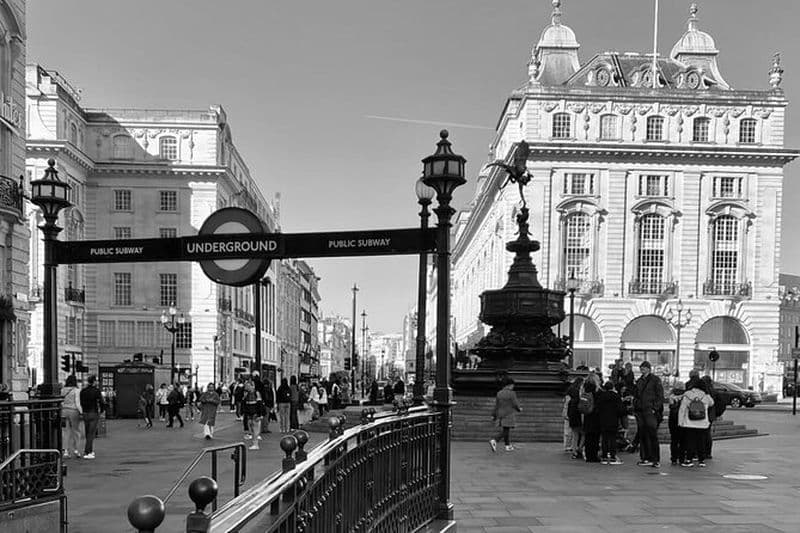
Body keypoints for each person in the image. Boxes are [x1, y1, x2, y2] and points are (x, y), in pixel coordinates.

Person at [633, 361, 664, 468]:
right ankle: (645, 457)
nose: (642, 369)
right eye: (641, 368)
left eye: (644, 368)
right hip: (640, 410)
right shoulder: (639, 380)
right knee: (642, 434)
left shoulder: (655, 380)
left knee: (652, 434)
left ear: (649, 369)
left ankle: (655, 459)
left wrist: (655, 408)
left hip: (650, 410)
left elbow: (660, 396)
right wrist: (635, 405)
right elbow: (636, 394)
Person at [678, 377, 714, 467]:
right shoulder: (705, 396)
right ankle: (701, 460)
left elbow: (682, 409)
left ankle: (689, 460)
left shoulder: (688, 394)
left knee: (690, 442)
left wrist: (680, 421)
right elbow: (712, 403)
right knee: (701, 442)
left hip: (689, 422)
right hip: (702, 423)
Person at [489, 375, 522, 452]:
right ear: (510, 385)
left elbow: (496, 405)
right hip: (509, 413)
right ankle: (495, 440)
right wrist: (519, 409)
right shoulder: (512, 393)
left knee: (506, 429)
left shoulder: (499, 393)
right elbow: (515, 404)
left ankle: (508, 445)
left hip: (500, 414)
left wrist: (493, 415)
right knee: (506, 431)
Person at [595, 381, 625, 465]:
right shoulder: (616, 396)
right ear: (612, 387)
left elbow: (597, 408)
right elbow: (621, 409)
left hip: (603, 420)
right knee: (612, 438)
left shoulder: (601, 396)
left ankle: (604, 457)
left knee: (604, 438)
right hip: (613, 420)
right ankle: (612, 456)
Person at [79, 375, 105, 459]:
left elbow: (81, 402)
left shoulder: (83, 391)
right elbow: (101, 402)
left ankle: (88, 450)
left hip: (85, 413)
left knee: (87, 432)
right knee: (91, 433)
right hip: (93, 412)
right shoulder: (96, 391)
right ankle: (88, 451)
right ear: (93, 382)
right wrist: (101, 410)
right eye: (96, 381)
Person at [61, 375, 83, 458]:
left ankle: (65, 450)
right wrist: (81, 412)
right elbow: (77, 402)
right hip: (74, 411)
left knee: (65, 431)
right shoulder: (76, 390)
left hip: (63, 411)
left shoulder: (62, 390)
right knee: (76, 431)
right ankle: (76, 450)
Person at [581, 380, 601, 463]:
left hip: (587, 418)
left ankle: (588, 456)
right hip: (596, 419)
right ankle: (594, 456)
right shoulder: (597, 395)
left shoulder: (584, 395)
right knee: (595, 439)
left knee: (588, 438)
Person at [567, 377, 585, 460]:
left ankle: (574, 451)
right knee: (583, 433)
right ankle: (579, 449)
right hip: (579, 415)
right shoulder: (580, 395)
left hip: (572, 415)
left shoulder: (570, 393)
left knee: (575, 434)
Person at [242, 377, 262, 449]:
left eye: (247, 386)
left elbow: (259, 404)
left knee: (255, 429)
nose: (246, 387)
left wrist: (259, 414)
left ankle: (255, 444)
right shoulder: (246, 394)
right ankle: (254, 443)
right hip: (249, 413)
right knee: (252, 429)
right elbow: (245, 404)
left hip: (255, 413)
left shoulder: (256, 393)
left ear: (252, 386)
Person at [667, 385, 685, 466]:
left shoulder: (671, 397)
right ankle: (681, 458)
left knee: (674, 440)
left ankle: (673, 458)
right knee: (682, 441)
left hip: (673, 420)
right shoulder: (685, 396)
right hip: (682, 420)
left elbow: (671, 407)